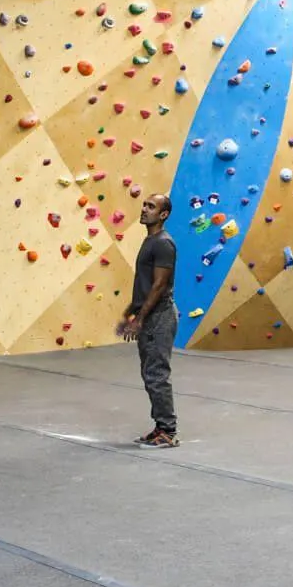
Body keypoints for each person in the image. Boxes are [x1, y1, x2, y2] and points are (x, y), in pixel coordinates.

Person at [118, 192, 179, 448]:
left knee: (156, 374)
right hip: (149, 315)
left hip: (159, 318)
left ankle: (168, 431)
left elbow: (159, 285)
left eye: (151, 207)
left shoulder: (163, 243)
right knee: (149, 373)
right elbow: (144, 285)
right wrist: (128, 312)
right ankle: (160, 426)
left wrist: (140, 319)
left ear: (163, 215)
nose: (144, 209)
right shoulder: (150, 241)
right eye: (144, 205)